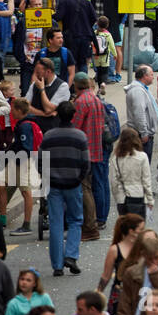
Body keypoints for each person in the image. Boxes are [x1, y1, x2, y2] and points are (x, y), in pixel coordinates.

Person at [41, 100, 89, 277]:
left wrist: (46, 176)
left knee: (56, 223)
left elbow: (41, 161)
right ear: (73, 115)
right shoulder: (80, 136)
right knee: (76, 220)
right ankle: (71, 255)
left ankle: (57, 265)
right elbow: (85, 162)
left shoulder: (49, 136)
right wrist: (79, 177)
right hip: (73, 183)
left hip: (54, 184)